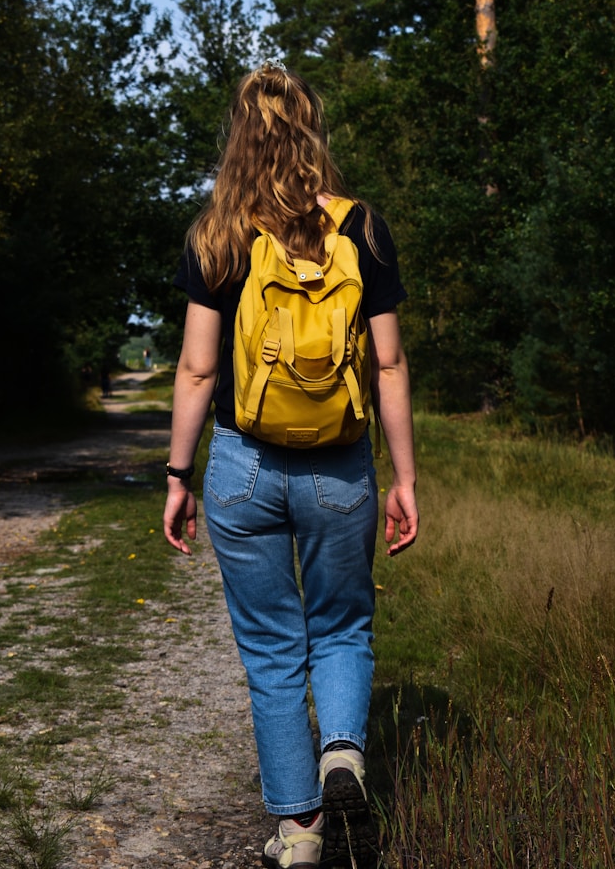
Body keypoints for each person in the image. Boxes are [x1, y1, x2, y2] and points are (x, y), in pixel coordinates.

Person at [163, 60, 418, 869]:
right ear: (312, 130)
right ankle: (342, 751)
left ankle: (300, 834)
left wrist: (176, 475)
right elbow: (388, 365)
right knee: (342, 625)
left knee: (272, 650)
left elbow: (198, 370)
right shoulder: (361, 228)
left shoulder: (217, 234)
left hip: (241, 464)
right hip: (339, 468)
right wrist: (406, 478)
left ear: (238, 138)